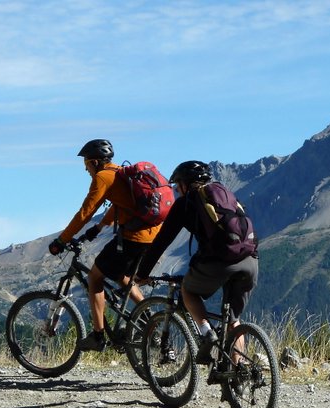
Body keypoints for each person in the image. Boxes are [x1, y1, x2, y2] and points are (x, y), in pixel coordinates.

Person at [135, 160, 258, 368]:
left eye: (177, 186)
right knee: (233, 320)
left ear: (185, 184)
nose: (176, 190)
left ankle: (206, 333)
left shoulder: (185, 203)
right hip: (250, 259)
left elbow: (161, 241)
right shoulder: (225, 195)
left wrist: (142, 273)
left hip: (219, 261)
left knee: (188, 291)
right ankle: (237, 375)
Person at [48, 139, 161, 351]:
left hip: (133, 238)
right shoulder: (121, 173)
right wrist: (99, 227)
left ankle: (98, 336)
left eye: (86, 165)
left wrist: (61, 240)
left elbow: (85, 213)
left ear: (95, 162)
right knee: (122, 276)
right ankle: (149, 321)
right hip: (152, 237)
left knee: (94, 277)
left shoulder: (102, 177)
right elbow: (121, 205)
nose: (87, 170)